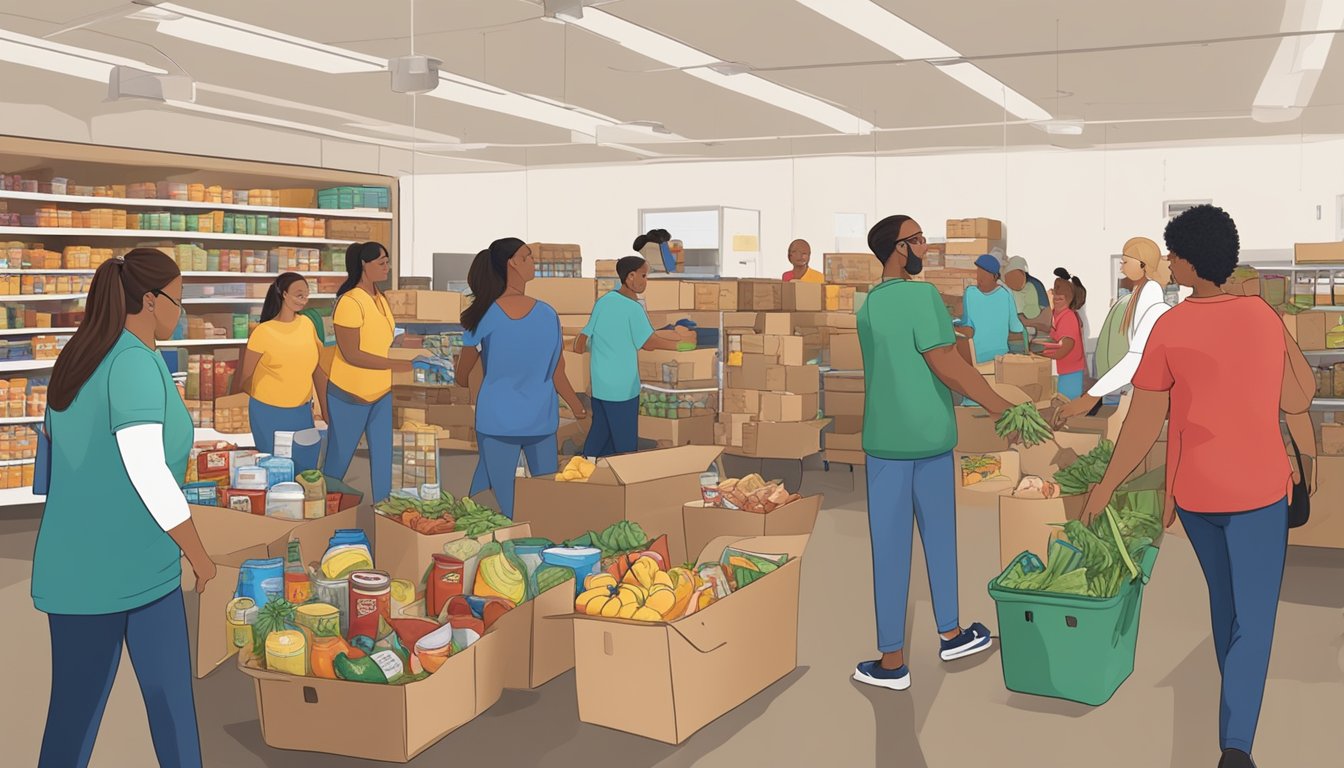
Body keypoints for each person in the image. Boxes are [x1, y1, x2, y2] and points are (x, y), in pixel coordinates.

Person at [1080, 205, 1315, 768]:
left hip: (1197, 497)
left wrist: (1107, 486)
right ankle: (1236, 747)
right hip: (1258, 491)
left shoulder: (1171, 326)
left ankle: (1233, 709)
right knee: (1255, 619)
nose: (1169, 263)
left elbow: (1144, 422)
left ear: (1188, 261)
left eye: (1173, 255)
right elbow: (1299, 398)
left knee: (1226, 606)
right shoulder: (1263, 318)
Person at [33, 247, 214, 767]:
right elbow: (148, 473)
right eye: (177, 301)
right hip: (117, 571)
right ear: (150, 300)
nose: (181, 312)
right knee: (165, 711)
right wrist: (199, 556)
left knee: (74, 717)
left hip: (94, 566)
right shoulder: (132, 362)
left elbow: (59, 453)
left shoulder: (86, 352)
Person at [851, 215, 1021, 692]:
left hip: (885, 440)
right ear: (899, 249)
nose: (926, 246)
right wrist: (999, 405)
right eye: (919, 239)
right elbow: (944, 362)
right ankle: (950, 633)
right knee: (940, 536)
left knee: (889, 548)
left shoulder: (867, 307)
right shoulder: (921, 297)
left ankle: (891, 661)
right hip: (929, 438)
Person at [457, 238, 586, 518]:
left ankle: (478, 535)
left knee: (505, 499)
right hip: (540, 418)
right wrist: (577, 407)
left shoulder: (483, 315)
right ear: (511, 263)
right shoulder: (547, 314)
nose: (533, 262)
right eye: (527, 257)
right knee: (545, 493)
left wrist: (472, 378)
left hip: (497, 420)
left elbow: (462, 374)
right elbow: (557, 371)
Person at [575, 256, 692, 458]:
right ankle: (625, 481)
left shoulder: (603, 302)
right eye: (644, 275)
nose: (646, 281)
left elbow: (583, 338)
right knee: (624, 444)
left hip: (601, 385)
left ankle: (586, 473)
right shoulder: (633, 308)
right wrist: (679, 345)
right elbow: (648, 342)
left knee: (600, 435)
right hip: (622, 388)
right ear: (630, 277)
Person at [323, 242, 412, 504]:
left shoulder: (381, 299)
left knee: (384, 462)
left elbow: (381, 340)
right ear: (364, 264)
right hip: (350, 395)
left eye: (387, 261)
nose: (387, 267)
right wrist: (397, 365)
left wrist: (405, 347)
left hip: (381, 392)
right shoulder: (349, 302)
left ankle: (383, 515)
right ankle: (321, 514)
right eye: (381, 263)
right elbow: (352, 354)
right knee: (337, 463)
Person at [1054, 238, 1171, 424]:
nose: (1122, 268)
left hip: (1137, 389)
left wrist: (1089, 398)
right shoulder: (1130, 299)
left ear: (1142, 265)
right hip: (1122, 388)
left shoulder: (1152, 306)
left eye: (1125, 262)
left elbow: (1135, 356)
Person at [236, 272, 329, 472]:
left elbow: (318, 370)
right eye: (298, 294)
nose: (303, 299)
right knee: (275, 471)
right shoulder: (263, 332)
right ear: (283, 294)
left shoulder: (307, 325)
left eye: (306, 295)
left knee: (306, 472)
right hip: (268, 413)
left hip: (302, 412)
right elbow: (244, 379)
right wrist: (274, 391)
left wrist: (326, 411)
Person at [955, 253, 1024, 366]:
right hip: (999, 358)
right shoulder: (1006, 294)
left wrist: (954, 322)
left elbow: (966, 324)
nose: (979, 278)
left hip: (976, 359)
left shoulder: (970, 292)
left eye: (984, 274)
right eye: (978, 273)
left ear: (995, 277)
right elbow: (1015, 327)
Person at [1041, 267, 1089, 400]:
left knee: (1066, 404)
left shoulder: (1068, 317)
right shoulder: (1057, 314)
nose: (1054, 295)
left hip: (1071, 371)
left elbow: (1065, 347)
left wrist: (1042, 353)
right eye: (1054, 289)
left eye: (1059, 293)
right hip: (1065, 370)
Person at [1003, 256, 1051, 342]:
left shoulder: (1036, 286)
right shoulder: (1005, 289)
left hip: (1034, 334)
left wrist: (1026, 322)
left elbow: (1047, 322)